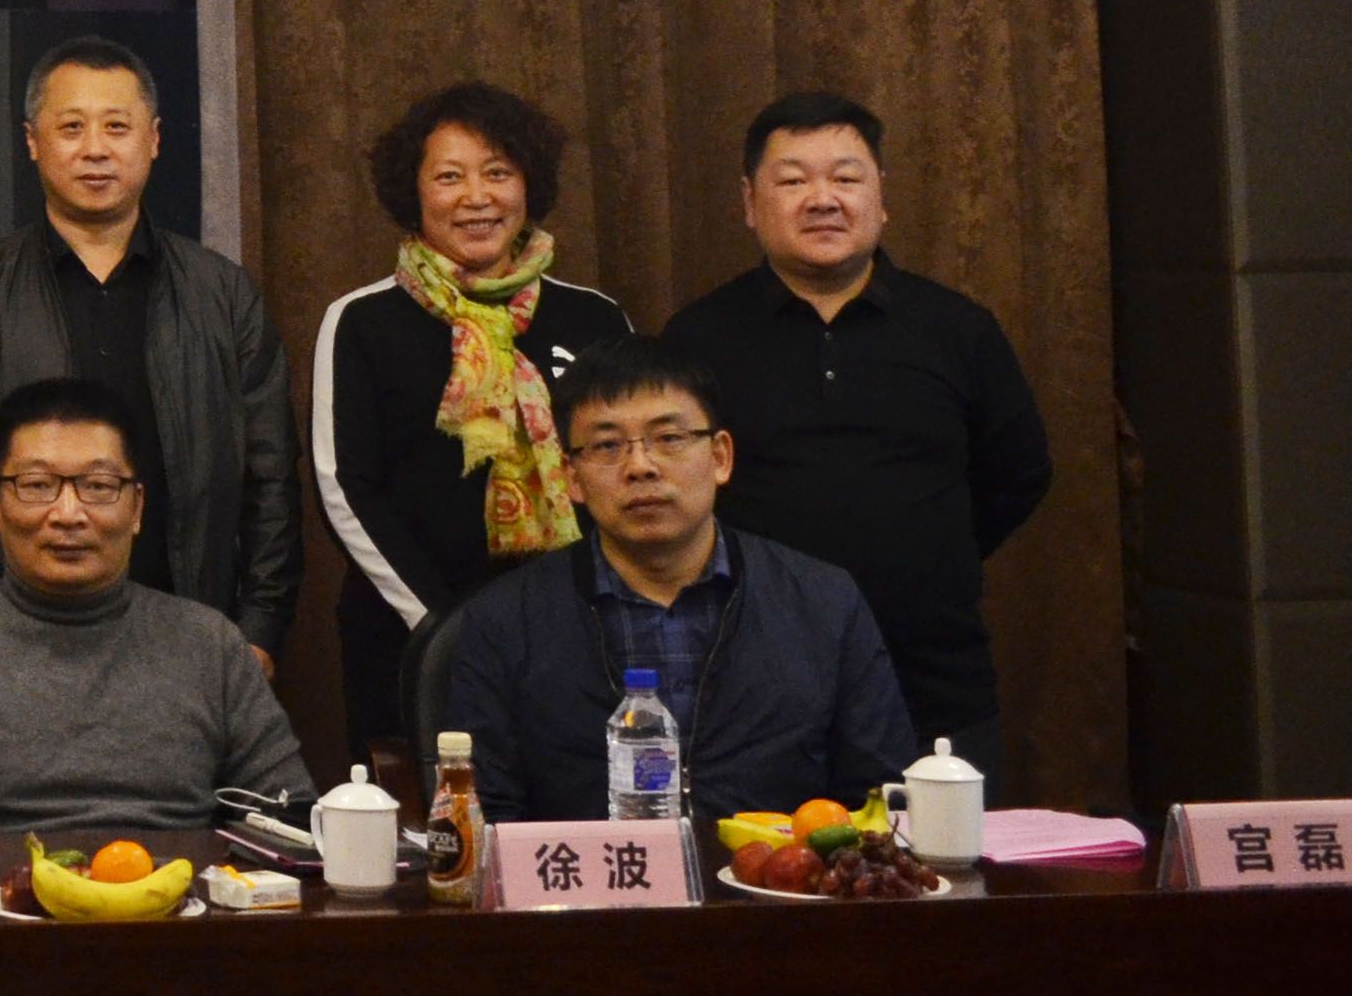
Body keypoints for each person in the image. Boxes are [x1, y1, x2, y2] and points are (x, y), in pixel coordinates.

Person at [659, 92, 1050, 773]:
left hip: (932, 681)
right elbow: (672, 490)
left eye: (845, 177)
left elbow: (1018, 473)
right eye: (792, 181)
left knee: (943, 843)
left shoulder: (957, 329)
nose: (823, 199)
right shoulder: (697, 338)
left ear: (880, 196)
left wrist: (928, 551)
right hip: (749, 680)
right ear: (750, 202)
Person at [0, 36, 299, 665]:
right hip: (11, 646)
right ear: (33, 141)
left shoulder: (223, 295)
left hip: (191, 635)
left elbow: (271, 480)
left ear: (153, 139)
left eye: (116, 127)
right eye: (71, 127)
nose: (95, 149)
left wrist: (259, 628)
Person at [436, 338, 916, 823]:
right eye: (607, 446)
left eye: (669, 438)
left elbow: (879, 799)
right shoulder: (504, 619)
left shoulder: (824, 602)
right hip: (589, 871)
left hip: (775, 869)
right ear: (572, 478)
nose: (641, 467)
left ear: (721, 457)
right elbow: (484, 813)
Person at [310, 81, 635, 765]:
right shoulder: (363, 320)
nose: (476, 197)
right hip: (410, 633)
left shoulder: (595, 319)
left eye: (497, 172)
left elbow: (625, 468)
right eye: (449, 177)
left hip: (574, 636)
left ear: (528, 184)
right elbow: (345, 487)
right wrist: (442, 628)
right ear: (413, 192)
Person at [0, 379, 308, 839]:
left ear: (137, 507)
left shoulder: (210, 645)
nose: (68, 514)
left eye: (99, 486)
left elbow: (289, 815)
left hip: (175, 886)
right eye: (37, 485)